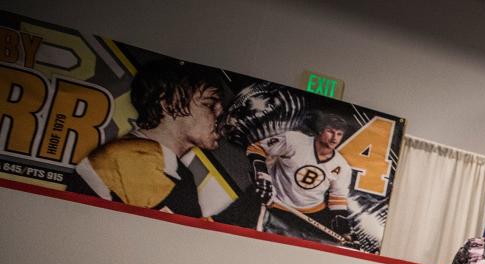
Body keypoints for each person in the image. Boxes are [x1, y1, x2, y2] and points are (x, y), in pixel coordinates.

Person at [70, 58, 224, 217]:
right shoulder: (136, 157)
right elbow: (186, 236)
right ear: (169, 104)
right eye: (210, 105)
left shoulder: (164, 164)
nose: (219, 114)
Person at [244, 111, 355, 244]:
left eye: (339, 134)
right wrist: (262, 175)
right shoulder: (294, 141)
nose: (334, 138)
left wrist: (342, 224)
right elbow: (256, 148)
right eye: (330, 131)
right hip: (275, 202)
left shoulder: (342, 166)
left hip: (312, 212)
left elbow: (337, 198)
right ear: (320, 130)